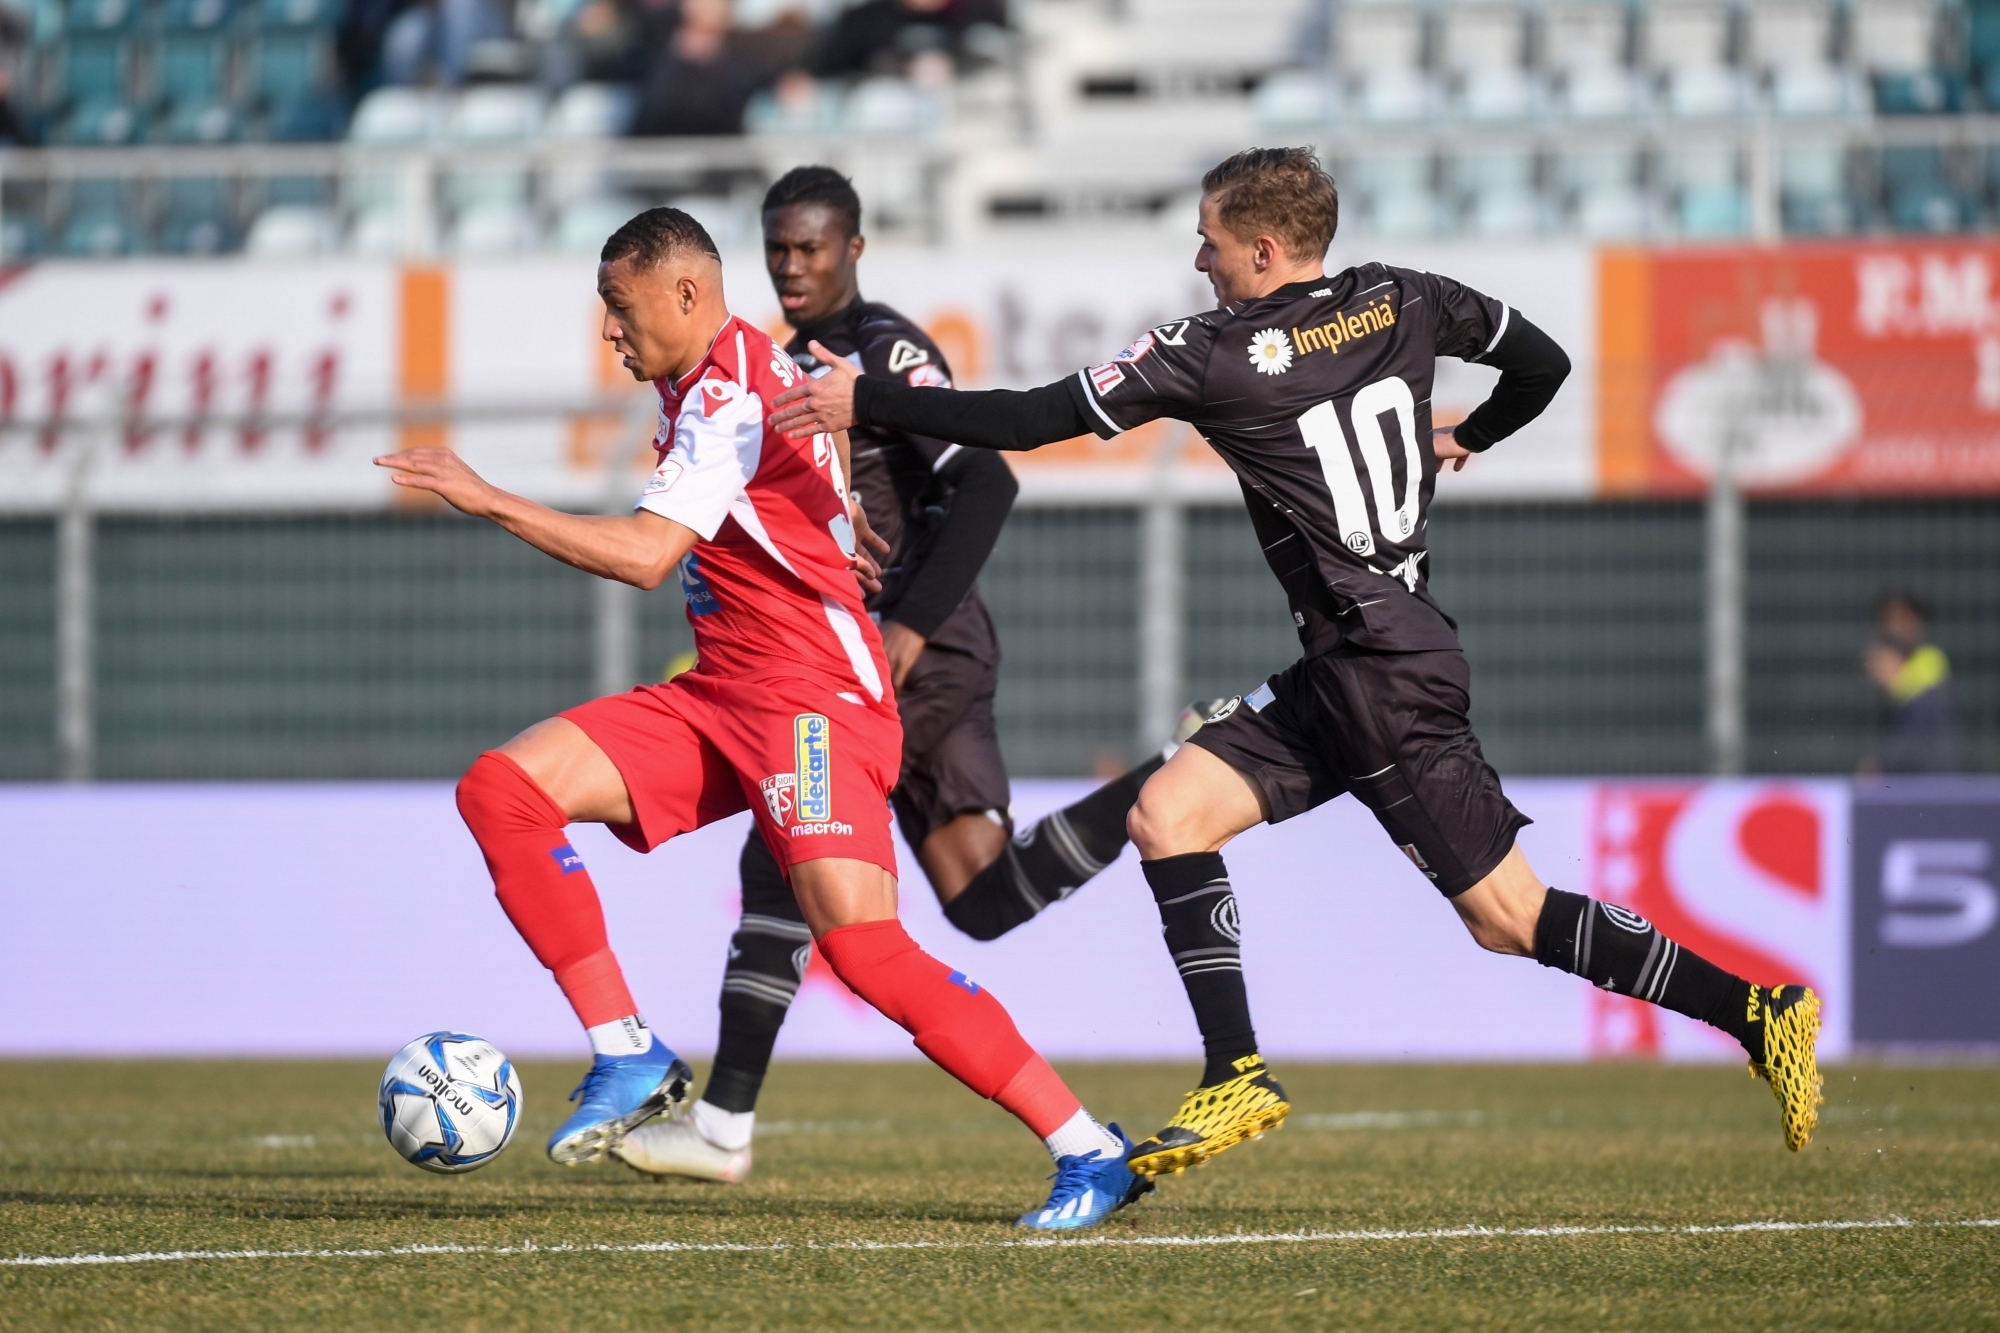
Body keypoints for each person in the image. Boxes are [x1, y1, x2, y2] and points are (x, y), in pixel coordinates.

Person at [767, 146, 1827, 1177]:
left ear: (1265, 249)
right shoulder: (1405, 297)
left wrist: (872, 401)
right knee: (1167, 815)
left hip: (1379, 675)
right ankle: (1234, 1070)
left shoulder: (1212, 349)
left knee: (1507, 919)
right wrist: (1474, 435)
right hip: (1361, 657)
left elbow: (1034, 419)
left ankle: (1757, 1009)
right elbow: (1541, 361)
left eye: (1209, 244)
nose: (1199, 264)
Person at [374, 207, 1151, 1231]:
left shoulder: (728, 389)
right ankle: (626, 1051)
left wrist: (488, 498)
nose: (608, 329)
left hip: (808, 703)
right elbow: (809, 484)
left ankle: (1088, 1149)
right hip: (722, 690)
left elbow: (649, 555)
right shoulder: (733, 371)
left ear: (686, 294)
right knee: (503, 789)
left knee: (867, 949)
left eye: (620, 307)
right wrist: (836, 529)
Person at [615, 165, 1188, 1184]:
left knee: (780, 855)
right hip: (853, 655)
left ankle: (724, 1123)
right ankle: (1168, 777)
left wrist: (909, 629)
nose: (791, 266)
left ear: (854, 250)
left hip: (900, 653)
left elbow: (985, 478)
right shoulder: (774, 363)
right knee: (978, 899)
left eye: (810, 247)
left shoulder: (881, 355)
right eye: (777, 248)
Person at [1864, 590, 1959, 774]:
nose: (1893, 627)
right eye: (1888, 619)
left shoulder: (1930, 663)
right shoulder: (1896, 692)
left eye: (1902, 618)